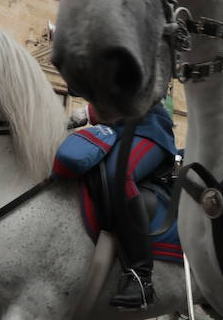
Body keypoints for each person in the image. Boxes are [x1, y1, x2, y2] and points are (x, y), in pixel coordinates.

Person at [53, 102, 177, 309]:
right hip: (112, 131)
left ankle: (140, 276)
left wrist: (92, 111)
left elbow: (142, 90)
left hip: (147, 128)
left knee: (118, 176)